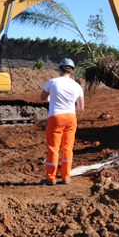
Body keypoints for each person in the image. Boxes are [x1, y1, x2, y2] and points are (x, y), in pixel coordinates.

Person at [39, 58, 84, 186]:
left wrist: (51, 98)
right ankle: (66, 177)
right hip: (71, 117)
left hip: (56, 117)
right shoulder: (77, 86)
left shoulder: (53, 82)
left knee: (53, 148)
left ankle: (51, 178)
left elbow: (42, 97)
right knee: (67, 148)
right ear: (72, 71)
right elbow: (80, 107)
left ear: (60, 69)